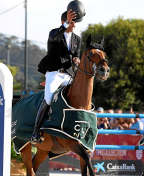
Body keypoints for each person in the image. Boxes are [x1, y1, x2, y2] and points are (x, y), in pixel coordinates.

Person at [31, 9, 84, 144]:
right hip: (54, 73)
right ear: (64, 22)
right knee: (48, 99)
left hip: (67, 74)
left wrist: (77, 59)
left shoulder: (77, 38)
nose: (74, 25)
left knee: (76, 95)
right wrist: (67, 23)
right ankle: (35, 132)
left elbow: (76, 54)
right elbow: (54, 38)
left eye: (74, 23)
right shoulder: (54, 33)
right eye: (72, 22)